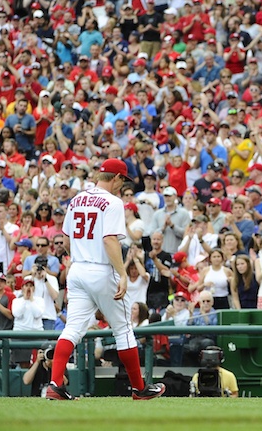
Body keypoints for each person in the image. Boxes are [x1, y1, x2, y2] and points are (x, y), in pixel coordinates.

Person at [46, 158, 166, 401]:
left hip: (77, 269)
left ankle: (55, 384)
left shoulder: (76, 198)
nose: (122, 186)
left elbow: (66, 241)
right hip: (101, 269)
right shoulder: (112, 202)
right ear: (117, 178)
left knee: (72, 329)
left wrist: (81, 258)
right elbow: (110, 239)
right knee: (123, 330)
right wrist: (122, 273)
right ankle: (139, 388)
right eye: (122, 181)